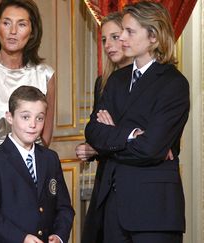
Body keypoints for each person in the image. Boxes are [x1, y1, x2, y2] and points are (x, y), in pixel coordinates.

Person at [85, 1, 189, 243]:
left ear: (153, 36)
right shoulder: (115, 80)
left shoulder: (174, 84)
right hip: (113, 207)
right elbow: (93, 132)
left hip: (154, 211)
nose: (122, 37)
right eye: (123, 30)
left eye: (130, 32)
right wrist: (132, 135)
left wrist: (111, 141)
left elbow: (151, 149)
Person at [0, 85, 74, 243]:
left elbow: (64, 208)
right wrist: (21, 238)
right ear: (10, 117)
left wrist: (59, 236)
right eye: (25, 117)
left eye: (39, 118)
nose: (33, 125)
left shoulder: (50, 159)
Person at [0, 0, 56, 154]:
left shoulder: (45, 74)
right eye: (7, 23)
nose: (13, 31)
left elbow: (46, 133)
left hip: (33, 165)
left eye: (21, 24)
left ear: (32, 32)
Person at [76, 12, 133, 243]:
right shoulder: (103, 82)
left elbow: (146, 140)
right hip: (105, 182)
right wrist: (96, 144)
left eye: (115, 36)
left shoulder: (150, 81)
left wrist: (101, 145)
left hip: (134, 181)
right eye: (104, 39)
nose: (108, 45)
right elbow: (95, 131)